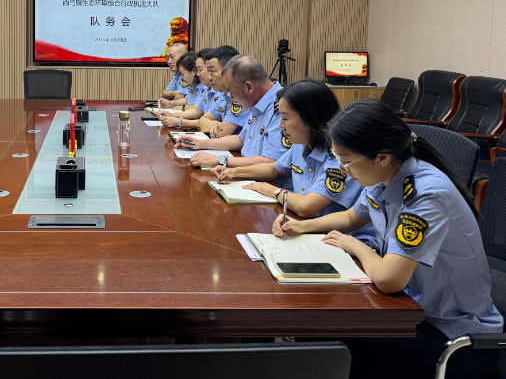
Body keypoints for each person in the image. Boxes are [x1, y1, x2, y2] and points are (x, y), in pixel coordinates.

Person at [273, 99, 503, 379]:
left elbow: (388, 279)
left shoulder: (426, 195)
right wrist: (302, 226)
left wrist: (356, 246)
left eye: (347, 160)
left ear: (382, 156)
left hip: (456, 341)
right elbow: (352, 217)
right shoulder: (386, 174)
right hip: (411, 309)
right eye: (337, 157)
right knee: (322, 322)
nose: (343, 169)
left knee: (331, 335)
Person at [211, 79, 369, 225]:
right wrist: (233, 172)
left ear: (310, 117)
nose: (281, 125)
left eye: (285, 118)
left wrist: (272, 191)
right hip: (307, 227)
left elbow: (306, 207)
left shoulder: (340, 156)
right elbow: (274, 169)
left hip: (336, 236)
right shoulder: (301, 144)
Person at [176, 55, 283, 168]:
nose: (231, 98)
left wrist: (221, 160)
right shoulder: (258, 101)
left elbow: (272, 162)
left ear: (249, 87)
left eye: (232, 92)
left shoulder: (282, 106)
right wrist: (199, 143)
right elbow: (241, 139)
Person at [160, 46, 242, 134]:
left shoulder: (240, 96)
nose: (198, 74)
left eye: (212, 71)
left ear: (228, 71)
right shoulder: (220, 92)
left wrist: (178, 121)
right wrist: (212, 125)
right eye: (208, 71)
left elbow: (222, 132)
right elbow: (201, 118)